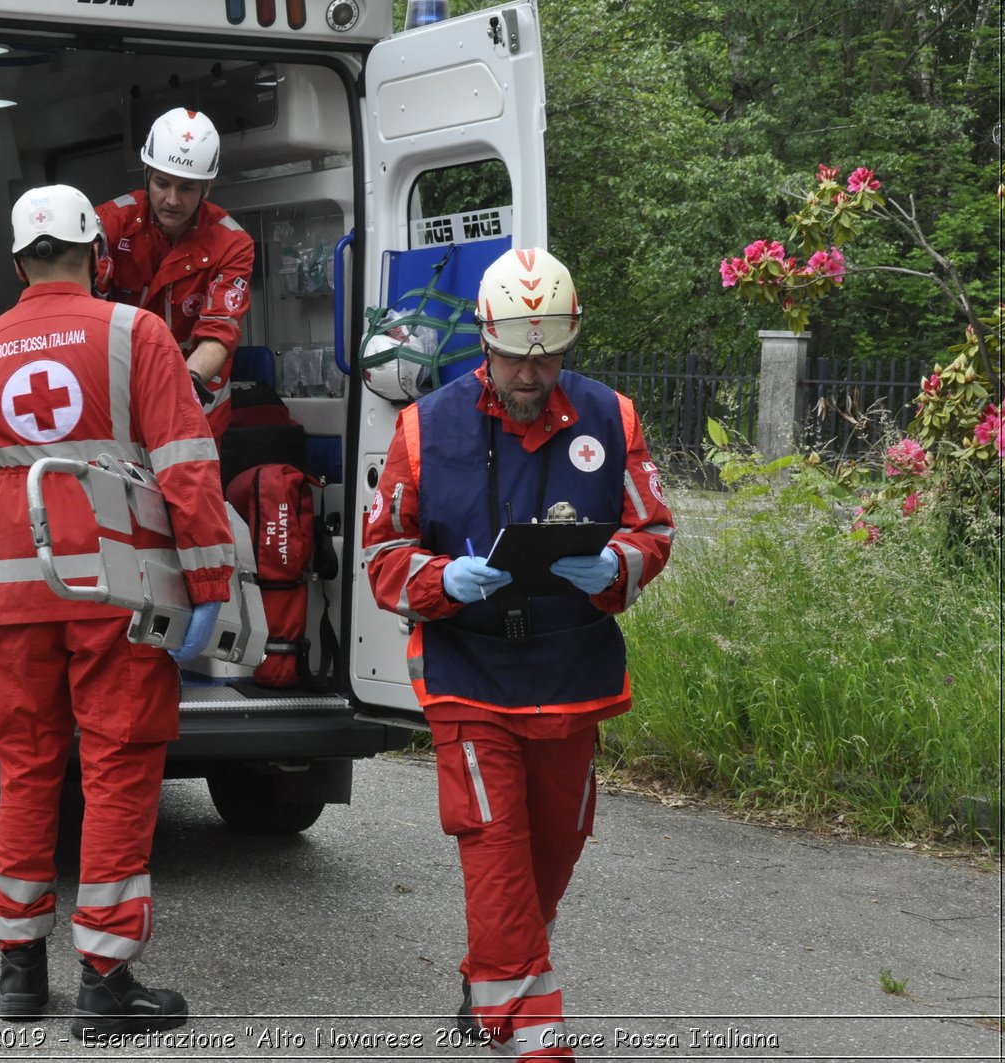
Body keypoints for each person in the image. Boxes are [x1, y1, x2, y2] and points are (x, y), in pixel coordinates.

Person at [0, 184, 235, 1036]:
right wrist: (210, 584)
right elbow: (185, 463)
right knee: (118, 763)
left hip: (15, 585)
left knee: (24, 764)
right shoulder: (134, 333)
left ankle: (19, 967)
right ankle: (105, 976)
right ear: (96, 252)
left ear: (18, 261)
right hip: (114, 583)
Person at [362, 247, 674, 1060]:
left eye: (548, 356)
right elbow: (382, 555)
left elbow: (655, 529)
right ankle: (537, 1043)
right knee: (497, 861)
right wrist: (437, 578)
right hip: (469, 674)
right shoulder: (423, 428)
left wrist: (618, 566)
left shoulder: (614, 418)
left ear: (567, 344)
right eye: (513, 356)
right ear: (484, 340)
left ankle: (489, 978)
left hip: (571, 673)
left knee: (549, 858)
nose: (531, 374)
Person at [96, 107, 255, 440]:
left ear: (206, 189)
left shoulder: (232, 242)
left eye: (187, 188)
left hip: (194, 398)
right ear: (147, 175)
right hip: (118, 391)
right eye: (162, 183)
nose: (171, 200)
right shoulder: (110, 223)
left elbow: (219, 334)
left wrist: (178, 392)